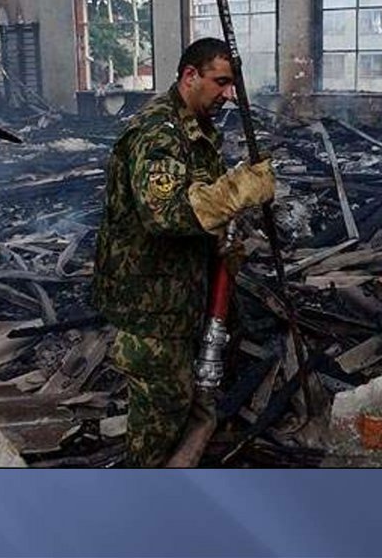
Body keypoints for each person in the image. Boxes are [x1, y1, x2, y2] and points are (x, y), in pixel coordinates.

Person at [92, 37, 275, 467]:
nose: (228, 94)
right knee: (162, 412)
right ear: (190, 75)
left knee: (183, 399)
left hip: (180, 294)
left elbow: (198, 201)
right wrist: (237, 190)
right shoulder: (159, 132)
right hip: (150, 304)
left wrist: (220, 240)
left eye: (232, 85)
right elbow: (164, 213)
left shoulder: (196, 127)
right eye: (220, 82)